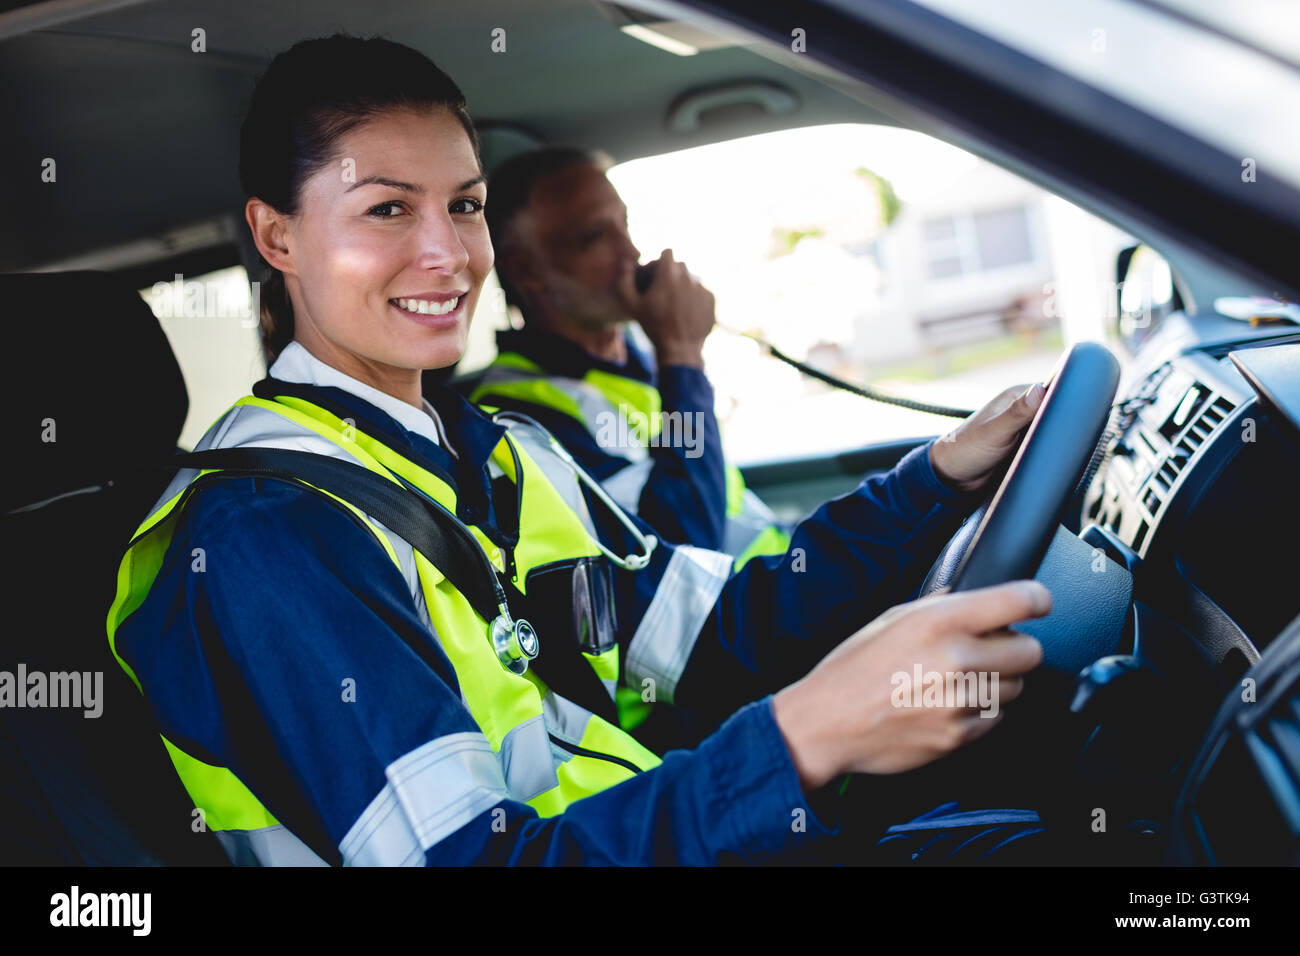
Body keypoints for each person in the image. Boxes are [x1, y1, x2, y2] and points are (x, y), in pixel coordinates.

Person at [107, 34, 1050, 866]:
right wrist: (802, 735)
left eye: (465, 206)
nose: (448, 254)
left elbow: (723, 633)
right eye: (388, 210)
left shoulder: (498, 454)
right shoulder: (266, 535)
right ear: (278, 234)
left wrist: (933, 474)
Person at [466, 146, 789, 568]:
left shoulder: (637, 355)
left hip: (778, 575)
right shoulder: (517, 417)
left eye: (626, 225)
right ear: (528, 270)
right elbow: (684, 548)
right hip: (739, 614)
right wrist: (682, 354)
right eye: (595, 237)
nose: (631, 252)